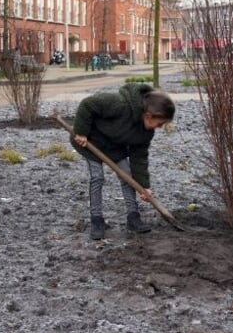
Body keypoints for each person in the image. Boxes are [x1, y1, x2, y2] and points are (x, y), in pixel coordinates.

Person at [71, 84, 176, 240]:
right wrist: (81, 132)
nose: (160, 127)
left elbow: (139, 158)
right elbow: (88, 104)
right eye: (160, 123)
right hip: (90, 142)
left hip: (114, 146)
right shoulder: (119, 104)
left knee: (127, 176)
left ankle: (133, 218)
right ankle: (97, 220)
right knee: (97, 177)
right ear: (149, 115)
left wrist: (144, 186)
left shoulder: (145, 133)